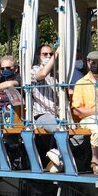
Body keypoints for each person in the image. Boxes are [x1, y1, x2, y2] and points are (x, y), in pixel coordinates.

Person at [28, 43, 64, 173]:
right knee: (59, 128)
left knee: (79, 135)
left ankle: (55, 156)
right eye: (45, 54)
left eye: (50, 54)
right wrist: (56, 54)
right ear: (39, 57)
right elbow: (42, 74)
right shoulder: (33, 70)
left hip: (59, 114)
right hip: (42, 115)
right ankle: (57, 157)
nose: (48, 56)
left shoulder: (58, 73)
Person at [71, 50, 98, 174]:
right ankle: (95, 161)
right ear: (88, 63)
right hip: (88, 120)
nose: (95, 64)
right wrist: (96, 111)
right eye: (92, 62)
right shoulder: (81, 83)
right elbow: (78, 112)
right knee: (97, 127)